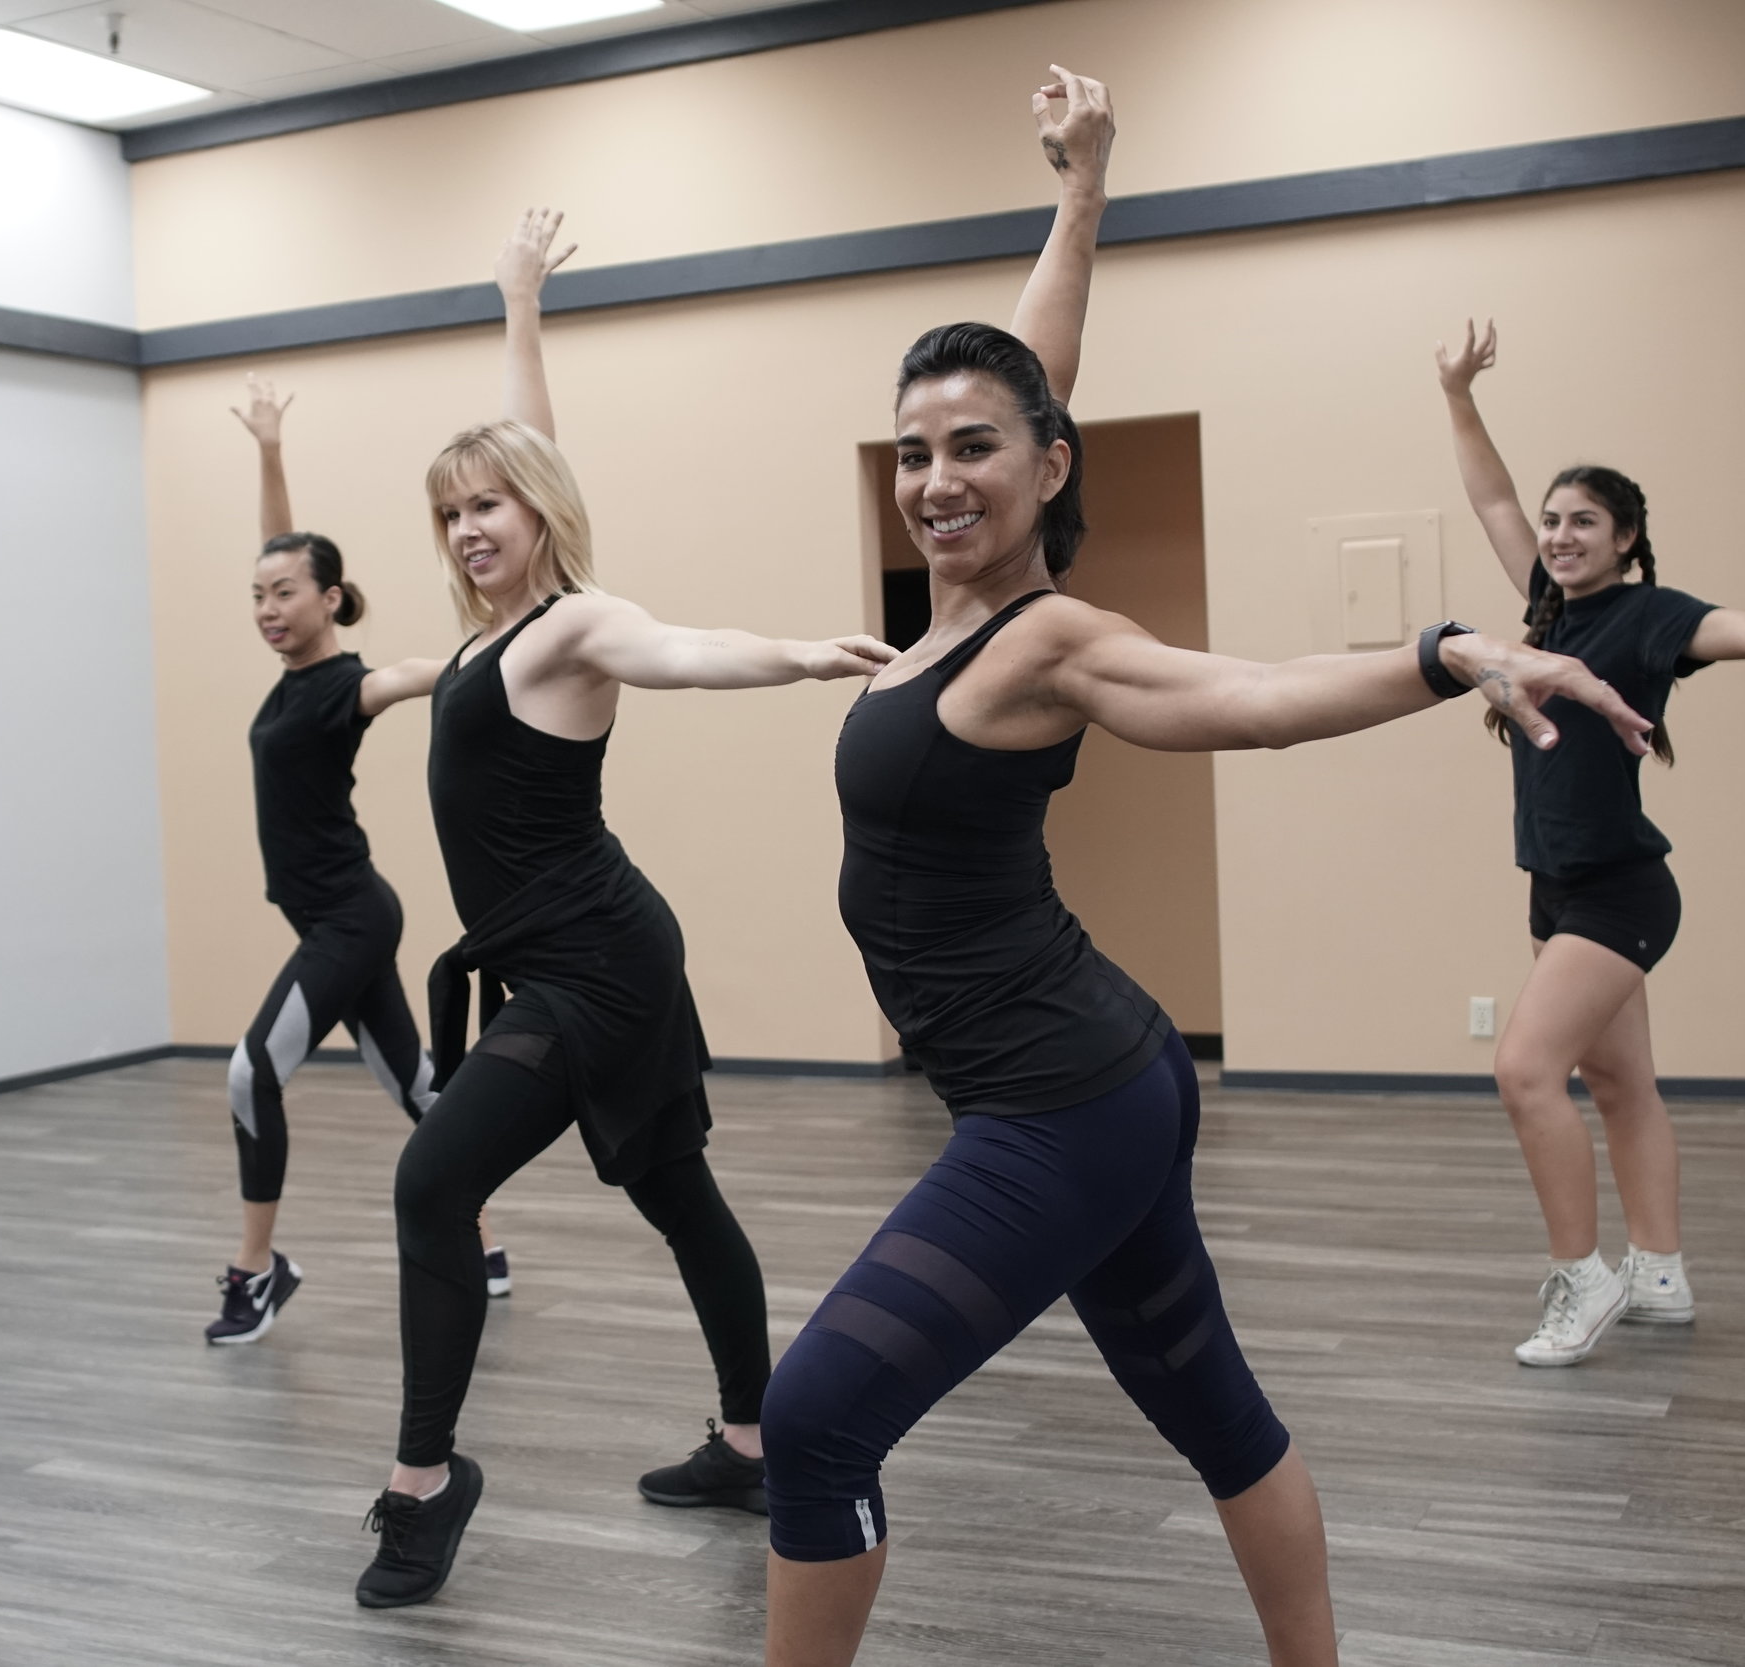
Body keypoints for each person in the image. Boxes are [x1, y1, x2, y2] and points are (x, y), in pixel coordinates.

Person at [758, 73, 1655, 1667]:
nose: (937, 477)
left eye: (975, 450)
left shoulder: (1056, 639)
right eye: (913, 452)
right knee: (1216, 1414)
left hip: (1063, 1100)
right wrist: (1085, 187)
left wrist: (1444, 652)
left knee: (816, 1414)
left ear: (1051, 467)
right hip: (1103, 1068)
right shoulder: (960, 611)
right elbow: (1039, 367)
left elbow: (1242, 702)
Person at [350, 209, 897, 1610]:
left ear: (540, 516)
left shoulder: (573, 625)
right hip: (590, 950)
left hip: (592, 968)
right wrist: (520, 302)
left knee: (433, 1181)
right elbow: (537, 439)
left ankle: (423, 1483)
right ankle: (755, 1435)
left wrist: (798, 653)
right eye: (452, 508)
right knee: (672, 1188)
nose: (472, 525)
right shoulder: (490, 629)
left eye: (492, 503)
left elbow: (682, 649)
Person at [1435, 320, 1745, 1365]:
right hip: (1556, 889)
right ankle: (1661, 1271)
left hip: (1620, 893)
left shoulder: (1648, 617)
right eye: (1553, 520)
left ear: (1626, 537)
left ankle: (1581, 1280)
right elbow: (1492, 499)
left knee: (1524, 1069)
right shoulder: (1543, 615)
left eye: (1583, 521)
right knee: (1623, 1085)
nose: (1557, 533)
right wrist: (1456, 392)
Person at [208, 378, 505, 1345]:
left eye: (285, 594)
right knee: (421, 1089)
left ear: (329, 601)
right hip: (339, 918)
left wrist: (503, 648)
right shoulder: (290, 675)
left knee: (254, 1073)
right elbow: (281, 550)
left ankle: (258, 1272)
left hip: (349, 916)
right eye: (257, 595)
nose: (267, 606)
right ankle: (487, 1243)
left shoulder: (345, 687)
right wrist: (268, 451)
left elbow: (425, 674)